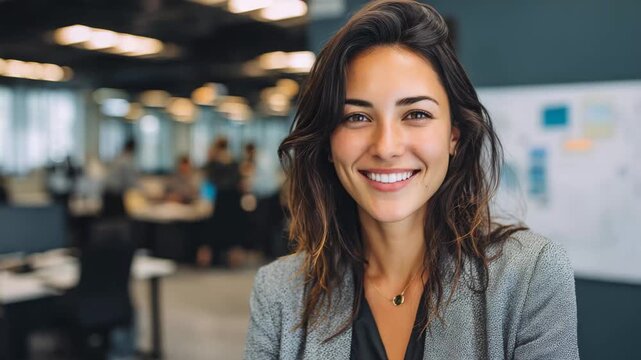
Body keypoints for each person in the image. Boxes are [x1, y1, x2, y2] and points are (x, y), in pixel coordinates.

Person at [244, 1, 579, 359]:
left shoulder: (530, 275)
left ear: (454, 135)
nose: (386, 147)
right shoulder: (279, 291)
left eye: (416, 114)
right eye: (356, 117)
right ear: (328, 141)